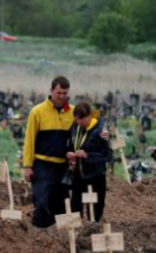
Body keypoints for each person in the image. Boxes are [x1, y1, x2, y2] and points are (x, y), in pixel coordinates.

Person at [22, 76, 75, 228]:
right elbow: (29, 140)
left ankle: (58, 242)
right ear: (51, 91)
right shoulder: (37, 112)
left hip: (62, 167)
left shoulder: (72, 112)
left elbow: (79, 136)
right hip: (42, 166)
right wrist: (27, 166)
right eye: (59, 93)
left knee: (60, 206)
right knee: (41, 203)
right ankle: (38, 239)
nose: (62, 96)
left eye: (65, 93)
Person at [66, 102, 113, 222]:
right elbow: (71, 145)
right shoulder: (75, 128)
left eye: (81, 119)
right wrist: (70, 154)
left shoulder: (99, 132)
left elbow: (108, 155)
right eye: (76, 119)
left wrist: (87, 156)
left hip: (95, 176)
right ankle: (77, 236)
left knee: (95, 211)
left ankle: (93, 232)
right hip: (78, 175)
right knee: (75, 207)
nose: (79, 122)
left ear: (88, 116)